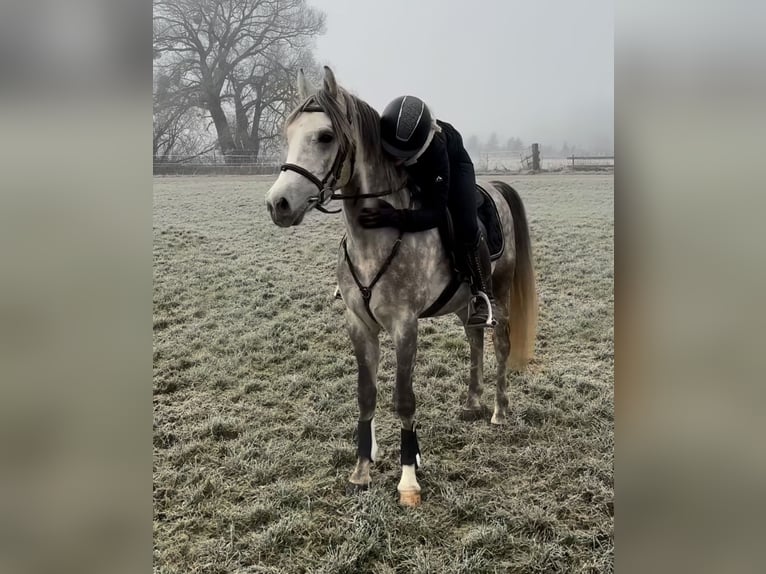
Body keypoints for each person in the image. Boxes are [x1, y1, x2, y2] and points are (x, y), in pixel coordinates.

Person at [358, 95, 496, 328]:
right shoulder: (387, 132)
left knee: (466, 225)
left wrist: (393, 217)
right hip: (416, 160)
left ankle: (483, 294)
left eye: (397, 156)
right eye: (388, 151)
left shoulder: (436, 151)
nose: (391, 159)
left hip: (453, 164)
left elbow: (435, 213)